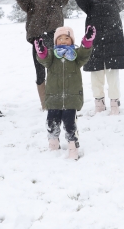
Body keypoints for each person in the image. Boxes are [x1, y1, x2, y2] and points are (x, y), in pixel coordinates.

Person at [3, 0, 76, 110]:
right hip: (38, 40)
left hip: (55, 39)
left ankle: (59, 101)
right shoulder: (31, 2)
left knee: (56, 70)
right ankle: (45, 104)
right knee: (40, 71)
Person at [73, 0, 124, 115]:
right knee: (96, 78)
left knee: (113, 78)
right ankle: (99, 103)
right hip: (95, 46)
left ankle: (115, 104)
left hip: (114, 45)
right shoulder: (90, 5)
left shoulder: (116, 3)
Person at [34, 26, 95, 160]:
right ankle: (53, 146)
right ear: (55, 42)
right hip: (53, 98)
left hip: (71, 98)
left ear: (72, 41)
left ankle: (73, 147)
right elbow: (43, 58)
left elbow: (85, 53)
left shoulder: (75, 56)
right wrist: (41, 50)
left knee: (70, 125)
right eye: (60, 38)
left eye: (66, 38)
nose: (63, 41)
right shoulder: (52, 56)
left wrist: (87, 41)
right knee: (51, 123)